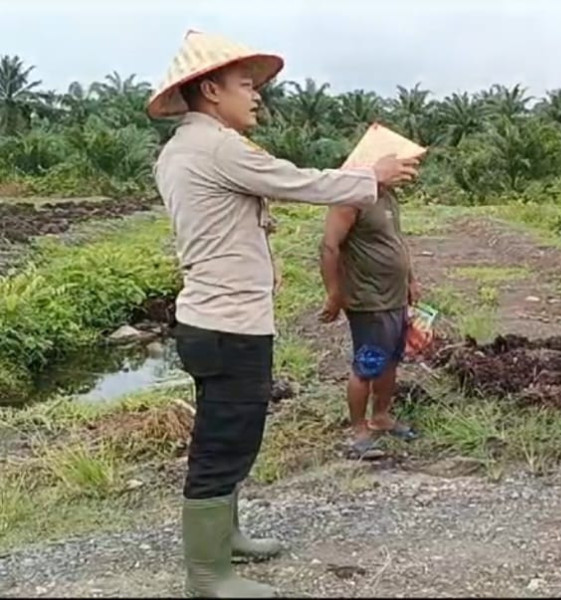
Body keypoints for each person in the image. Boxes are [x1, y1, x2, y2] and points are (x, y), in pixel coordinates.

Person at [149, 30, 419, 598]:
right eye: (246, 85)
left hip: (213, 319)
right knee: (224, 441)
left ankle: (228, 538)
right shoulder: (217, 147)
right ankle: (207, 574)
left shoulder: (182, 148)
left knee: (228, 434)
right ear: (209, 88)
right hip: (228, 324)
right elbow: (295, 180)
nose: (257, 97)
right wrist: (371, 175)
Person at [318, 123, 427, 459]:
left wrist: (410, 280)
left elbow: (397, 241)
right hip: (368, 299)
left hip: (394, 296)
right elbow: (329, 247)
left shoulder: (387, 196)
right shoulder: (351, 197)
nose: (405, 171)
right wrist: (335, 294)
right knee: (368, 363)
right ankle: (358, 429)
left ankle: (381, 418)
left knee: (392, 360)